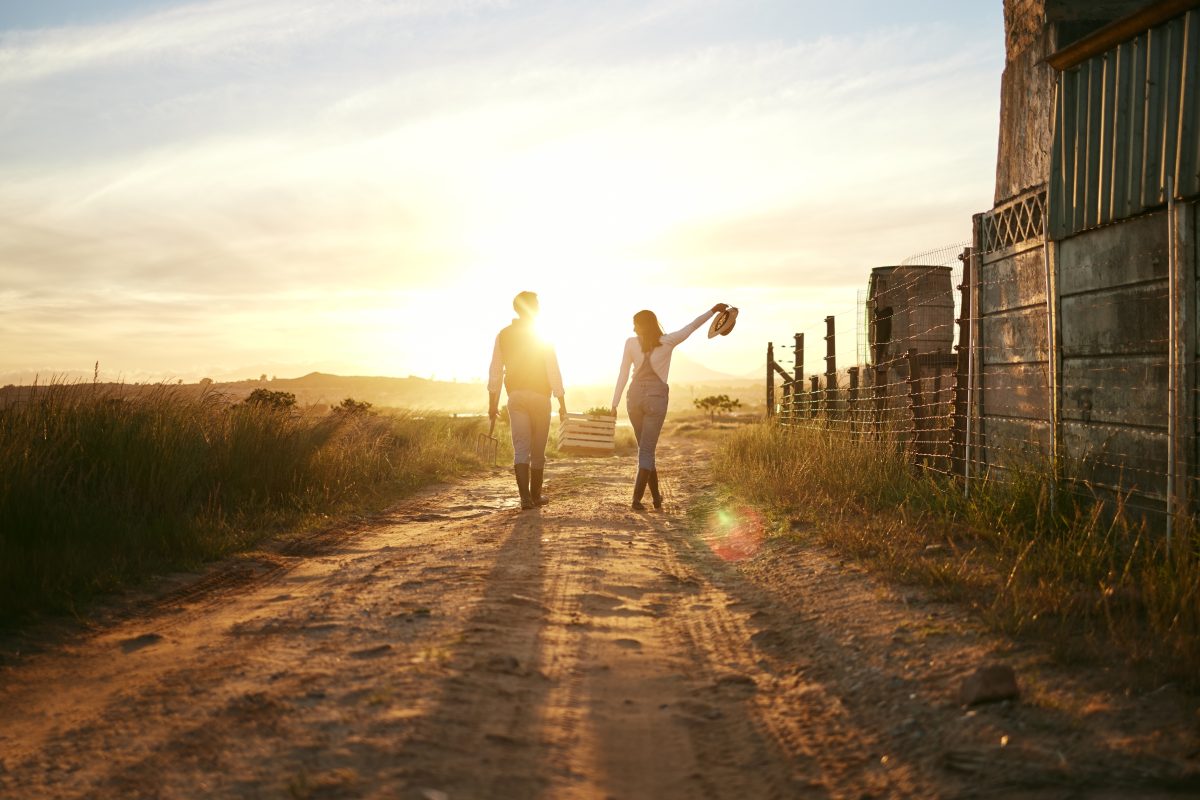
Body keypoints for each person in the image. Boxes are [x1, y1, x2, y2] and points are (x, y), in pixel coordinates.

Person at [611, 303, 729, 510]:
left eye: (635, 325)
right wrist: (713, 311)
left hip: (634, 398)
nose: (633, 329)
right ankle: (636, 500)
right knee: (646, 450)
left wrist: (614, 403)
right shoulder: (668, 341)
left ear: (642, 326)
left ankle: (656, 498)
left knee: (645, 450)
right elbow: (692, 326)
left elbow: (622, 373)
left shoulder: (630, 343)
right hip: (656, 398)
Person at [488, 291, 567, 510]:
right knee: (538, 450)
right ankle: (535, 496)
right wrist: (562, 404)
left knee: (521, 448)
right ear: (535, 308)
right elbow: (553, 370)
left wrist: (492, 405)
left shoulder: (503, 334)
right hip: (541, 397)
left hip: (517, 397)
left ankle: (524, 499)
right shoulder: (542, 334)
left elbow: (495, 371)